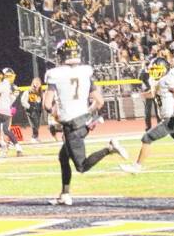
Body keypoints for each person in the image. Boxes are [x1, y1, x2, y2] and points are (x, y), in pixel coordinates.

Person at [43, 38, 129, 206]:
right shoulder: (85, 71)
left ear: (61, 55)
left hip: (72, 126)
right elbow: (99, 101)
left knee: (81, 167)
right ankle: (65, 194)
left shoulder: (54, 74)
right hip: (85, 122)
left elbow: (47, 104)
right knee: (63, 157)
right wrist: (86, 113)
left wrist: (56, 114)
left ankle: (109, 149)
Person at [21, 77, 44, 142]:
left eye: (38, 83)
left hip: (38, 110)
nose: (37, 84)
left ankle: (35, 137)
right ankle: (34, 137)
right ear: (33, 83)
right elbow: (23, 100)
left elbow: (40, 101)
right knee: (34, 124)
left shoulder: (40, 92)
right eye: (35, 82)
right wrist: (29, 107)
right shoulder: (29, 91)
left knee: (37, 124)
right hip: (31, 111)